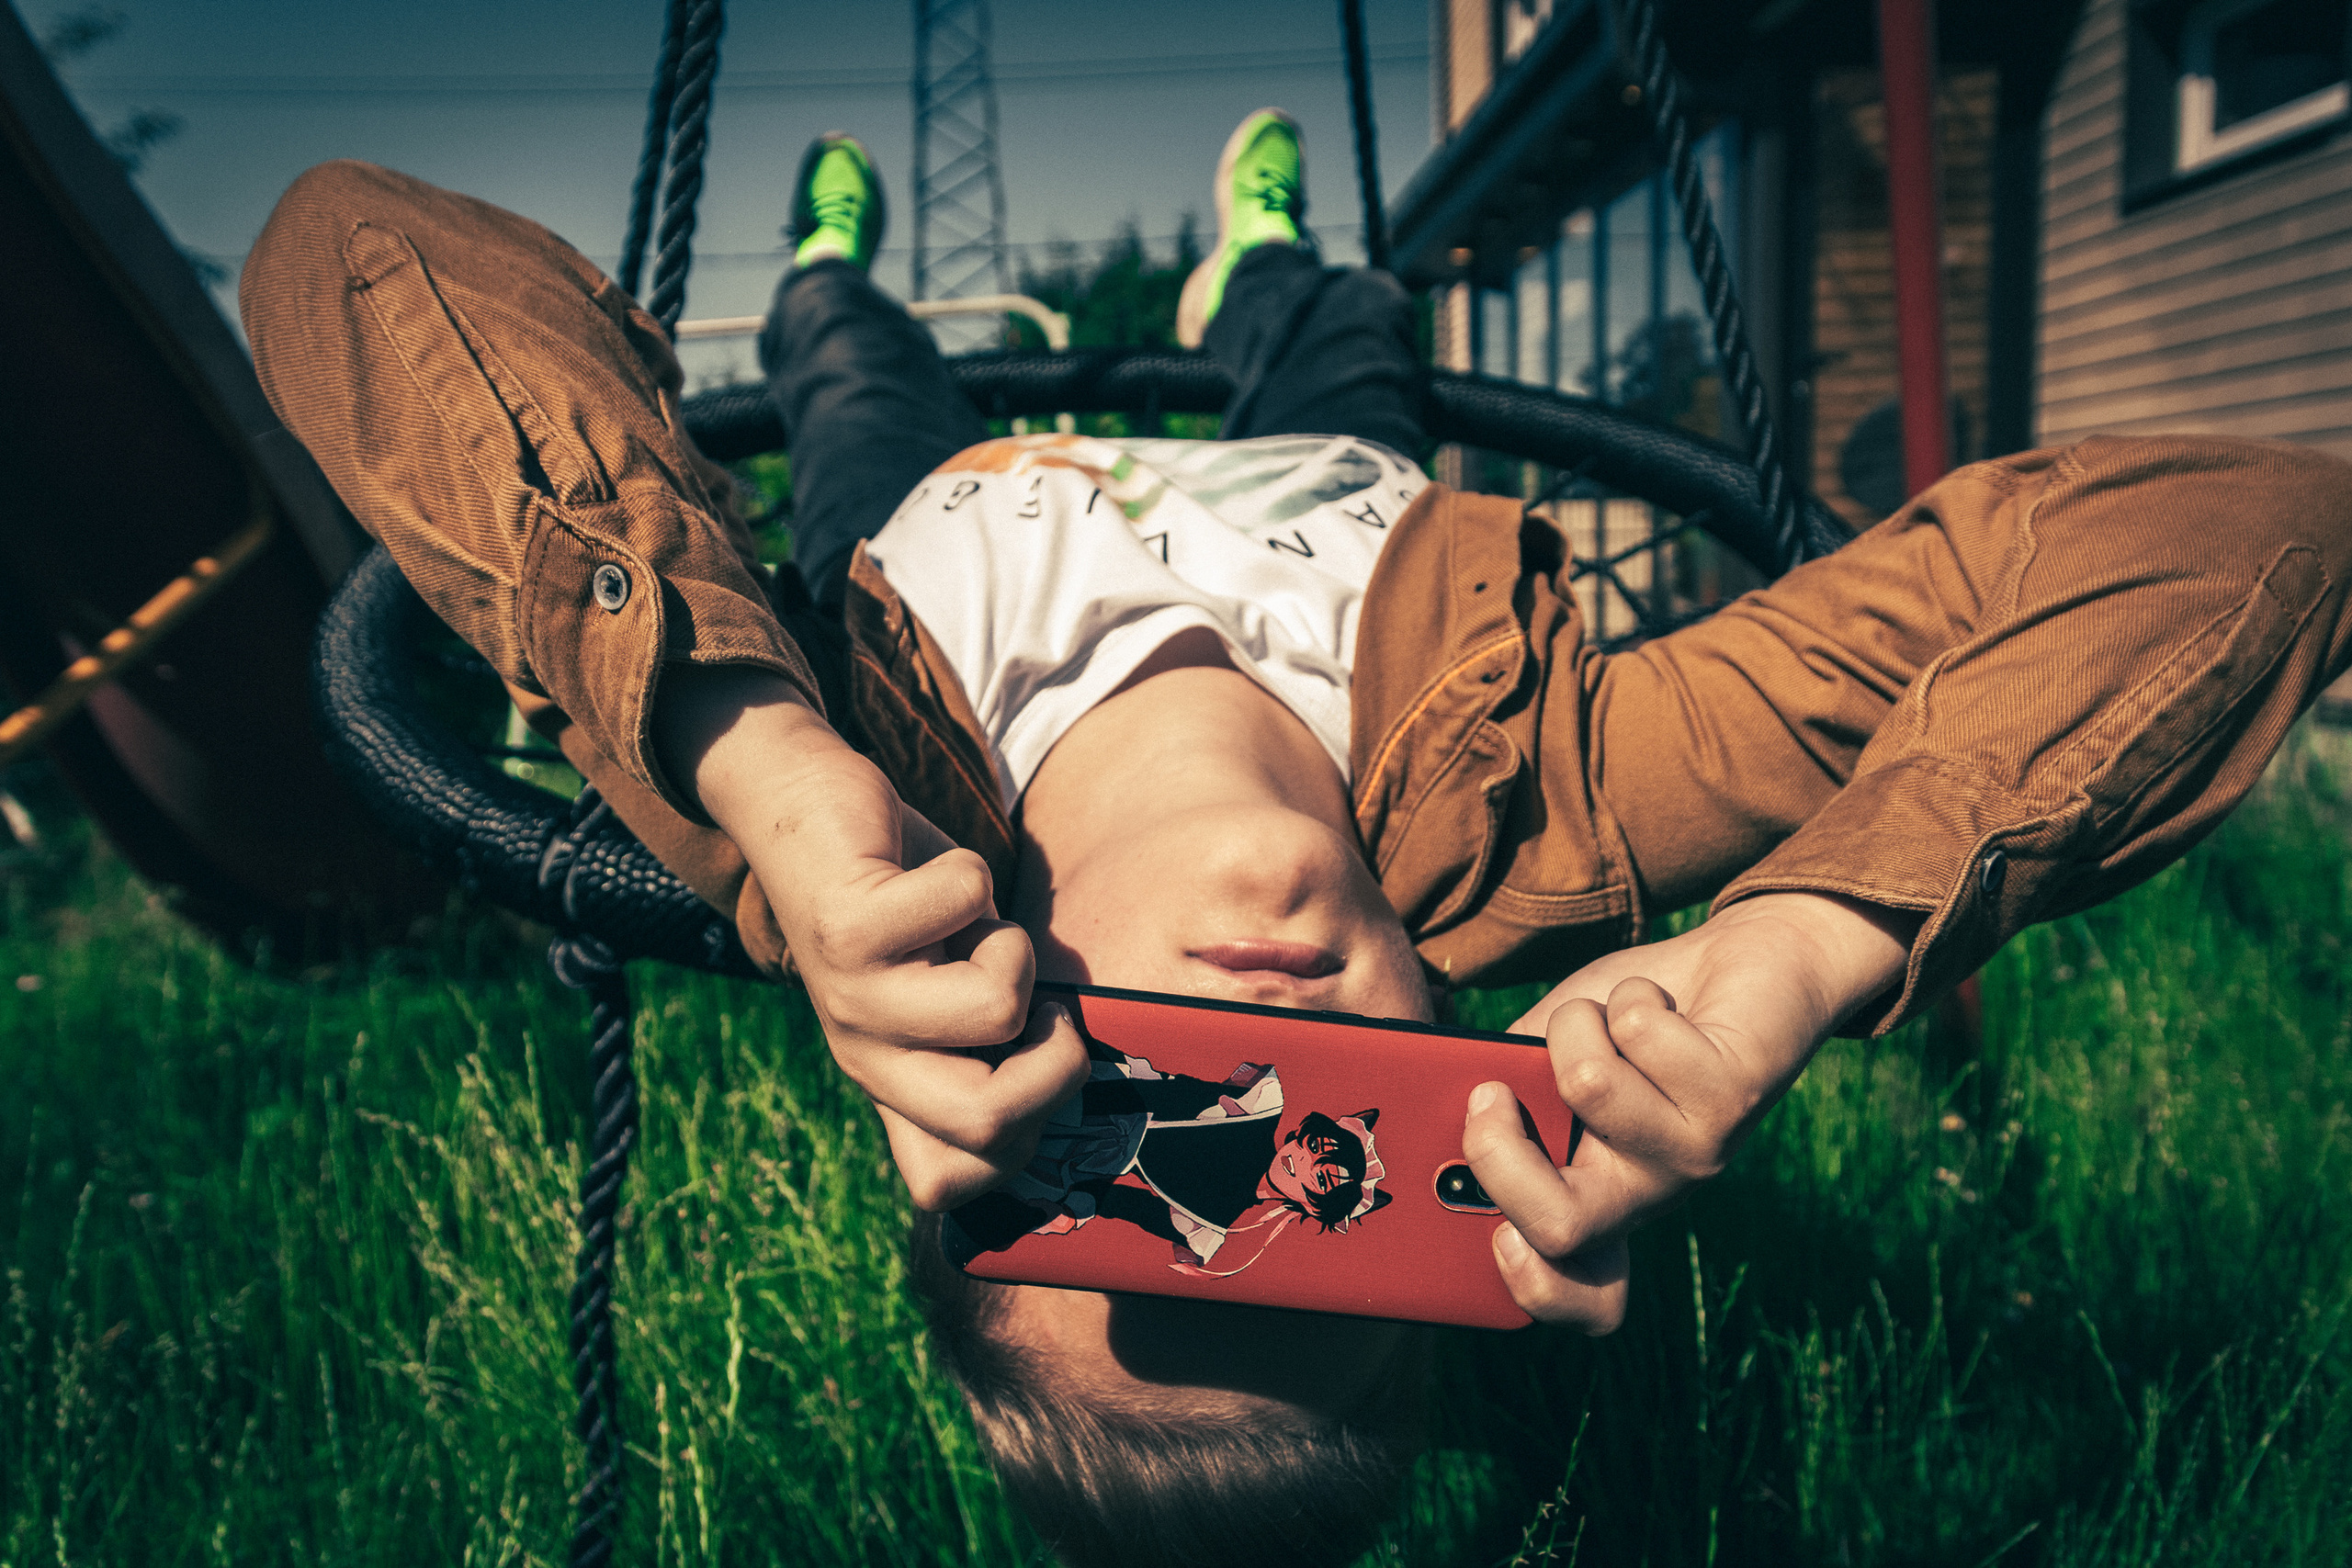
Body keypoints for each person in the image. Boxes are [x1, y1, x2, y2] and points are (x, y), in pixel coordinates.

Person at [240, 105, 2352, 1568]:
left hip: (932, 526)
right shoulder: (1576, 797)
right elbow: (2259, 528)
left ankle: (822, 274)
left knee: (854, 375)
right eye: (1332, 1167)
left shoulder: (860, 827)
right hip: (1334, 497)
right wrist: (1801, 933)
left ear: (964, 1110)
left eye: (1140, 1138)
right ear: (1465, 1143)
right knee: (1349, 334)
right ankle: (1268, 262)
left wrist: (759, 771)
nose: (1249, 1058)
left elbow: (349, 244)